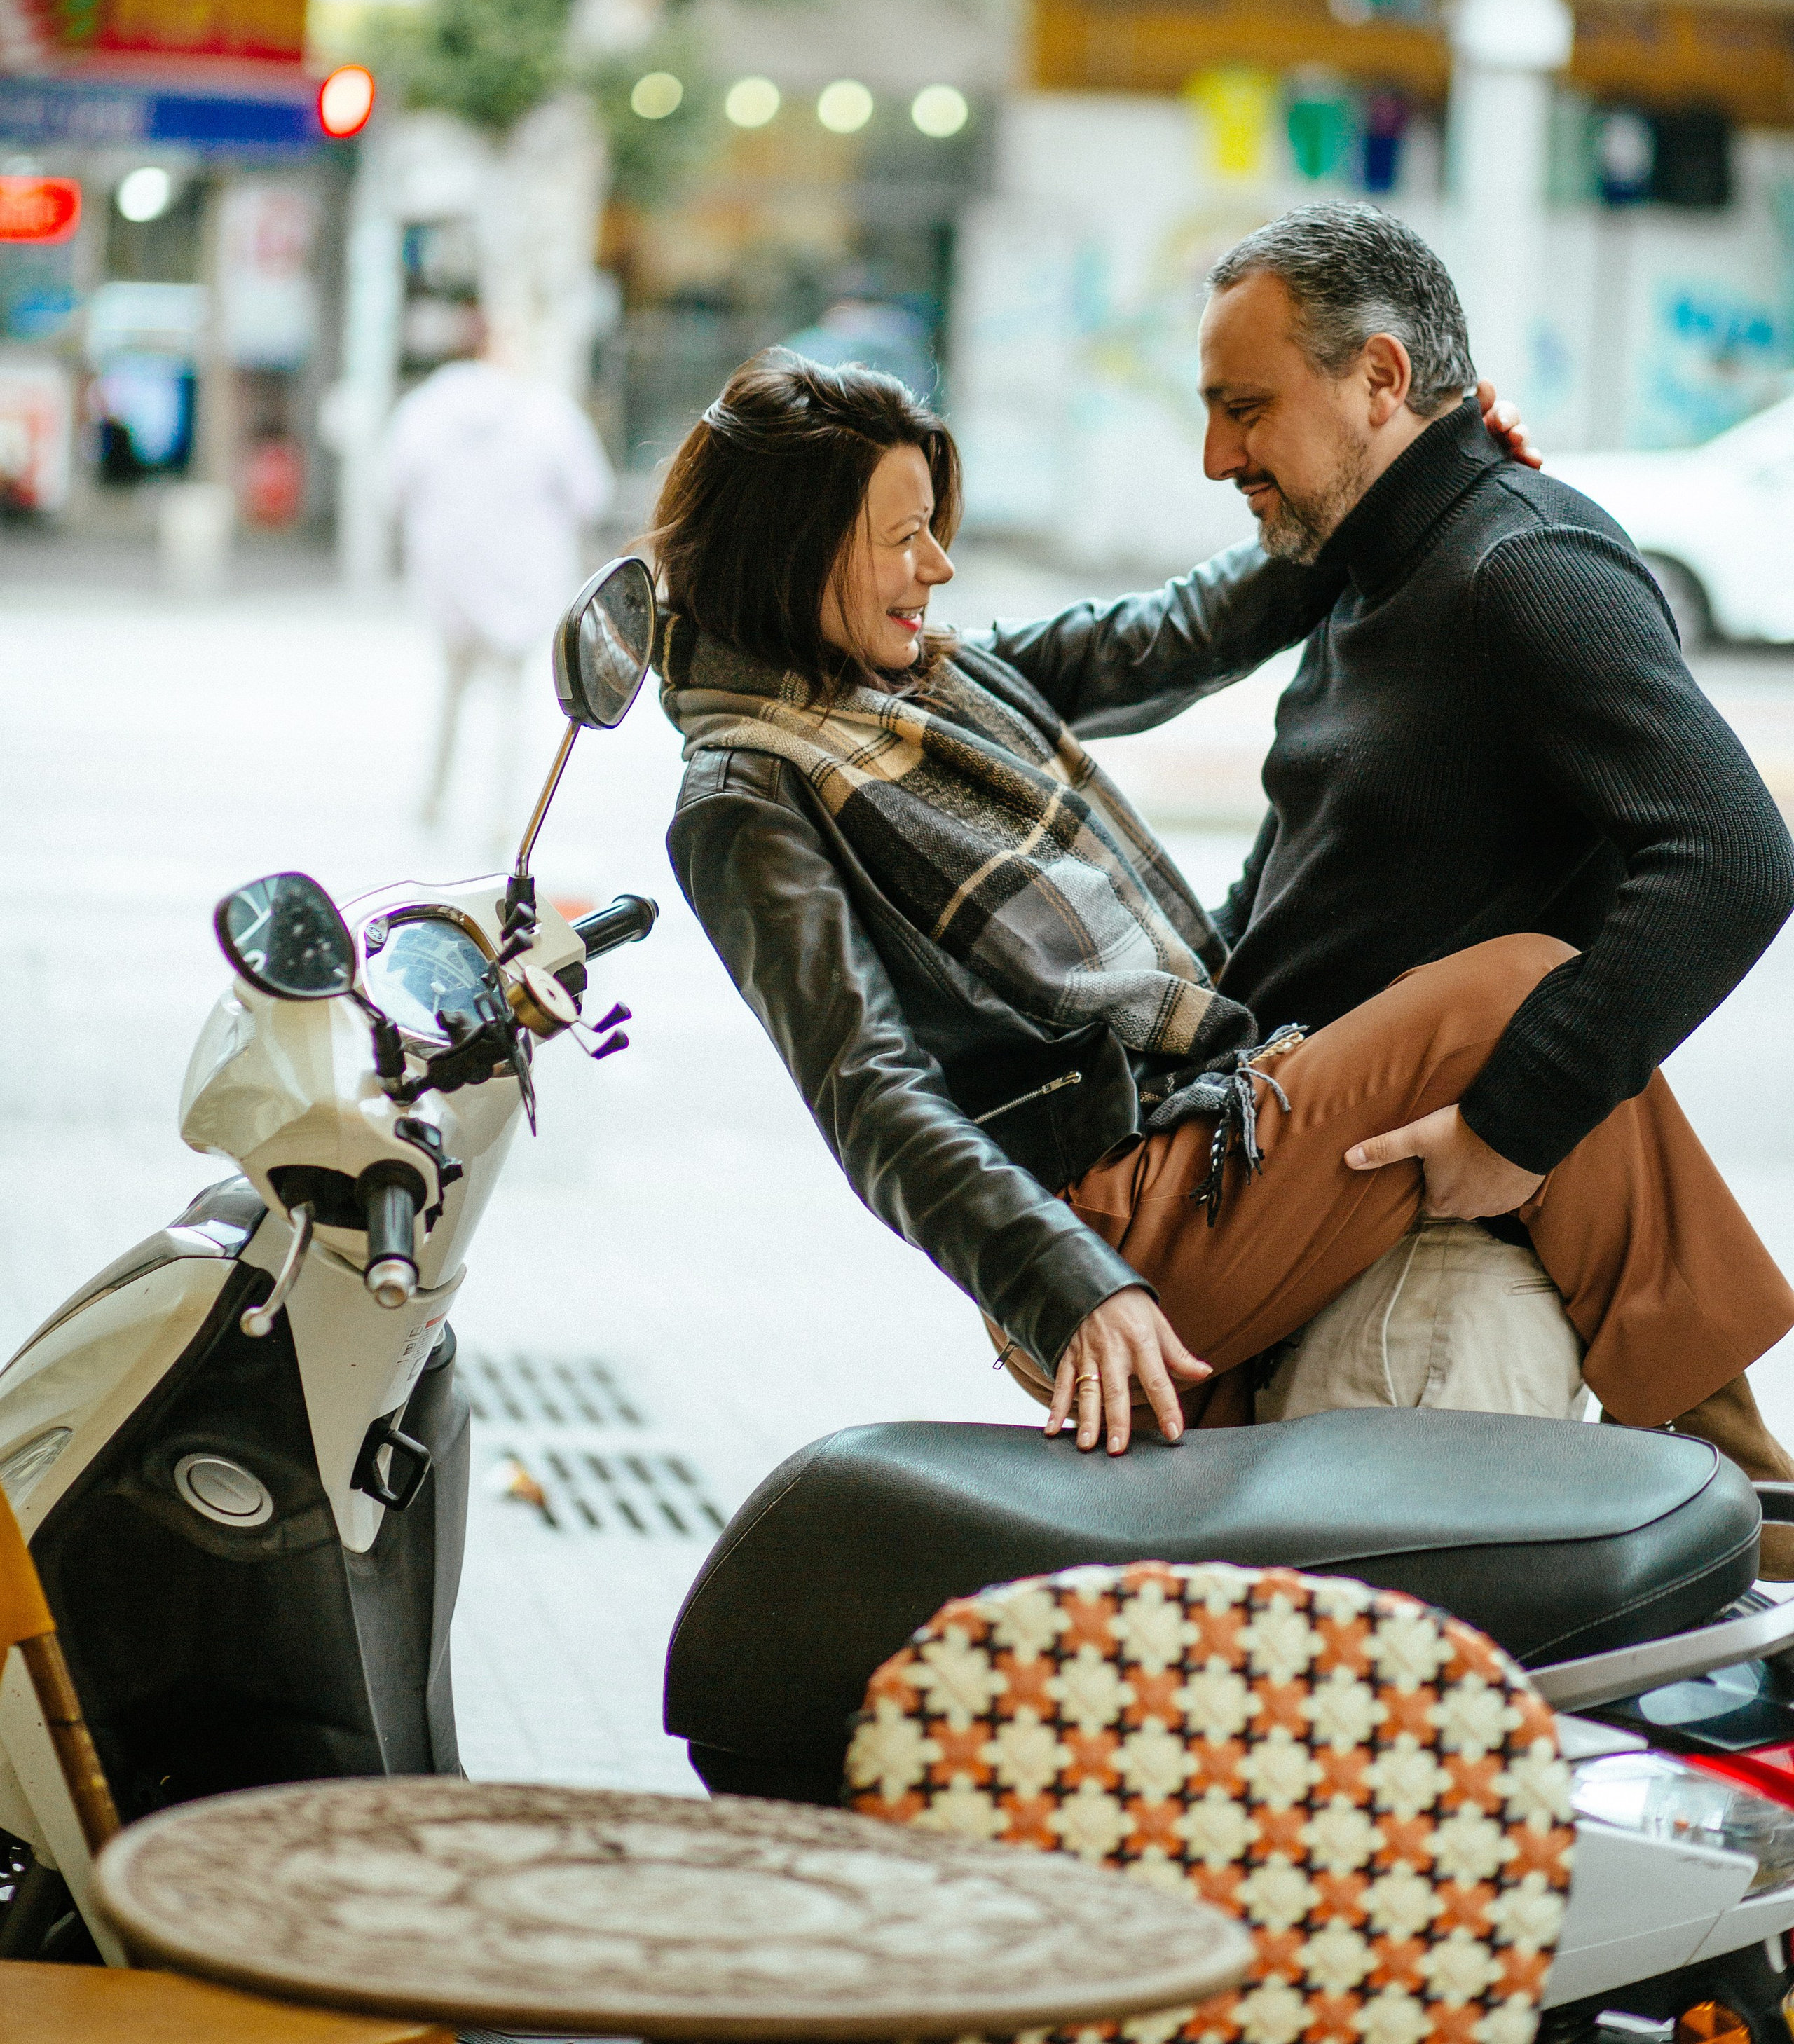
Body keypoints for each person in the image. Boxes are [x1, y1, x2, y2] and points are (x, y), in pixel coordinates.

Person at [652, 348, 1794, 1516]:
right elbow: (872, 1095)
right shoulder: (746, 794)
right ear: (791, 555)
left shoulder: (929, 682)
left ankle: (1735, 1495)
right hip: (1108, 1221)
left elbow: (1170, 636)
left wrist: (1409, 466)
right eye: (903, 539)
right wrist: (1073, 1288)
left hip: (1189, 1135)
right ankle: (1745, 1491)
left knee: (1548, 1039)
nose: (936, 568)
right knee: (1520, 995)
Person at [1169, 200, 1794, 1496]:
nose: (1219, 454)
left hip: (1425, 1291)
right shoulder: (1365, 577)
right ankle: (1743, 1486)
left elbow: (1732, 854)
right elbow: (1296, 887)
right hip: (1306, 1228)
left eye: (1248, 407)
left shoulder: (1524, 563)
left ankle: (1739, 1493)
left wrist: (1514, 1125)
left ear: (1380, 378)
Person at [383, 327, 613, 834]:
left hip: (449, 580)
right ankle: (504, 818)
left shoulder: (423, 411)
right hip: (522, 582)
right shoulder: (548, 413)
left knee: (451, 692)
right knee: (511, 705)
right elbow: (592, 494)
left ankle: (434, 800)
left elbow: (391, 487)